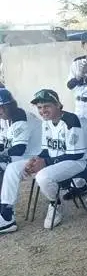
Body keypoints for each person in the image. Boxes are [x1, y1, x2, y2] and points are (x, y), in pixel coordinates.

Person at [0, 89, 87, 230]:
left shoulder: (71, 120)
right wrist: (35, 160)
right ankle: (6, 215)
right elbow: (46, 150)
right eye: (39, 107)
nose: (42, 111)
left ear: (58, 105)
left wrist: (45, 162)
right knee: (13, 168)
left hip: (74, 163)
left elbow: (76, 154)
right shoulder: (46, 122)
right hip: (54, 161)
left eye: (47, 106)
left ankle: (55, 203)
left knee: (42, 176)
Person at [0, 89, 42, 233]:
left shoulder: (20, 117)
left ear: (10, 106)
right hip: (23, 156)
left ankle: (6, 217)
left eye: (2, 107)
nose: (0, 111)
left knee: (5, 167)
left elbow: (18, 149)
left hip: (35, 158)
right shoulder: (5, 119)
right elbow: (2, 144)